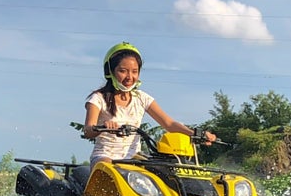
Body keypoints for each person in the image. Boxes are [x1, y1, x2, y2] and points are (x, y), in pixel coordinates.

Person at [83, 42, 216, 165]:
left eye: (134, 71)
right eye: (123, 71)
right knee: (108, 168)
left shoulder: (142, 98)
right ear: (110, 71)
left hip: (134, 159)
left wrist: (196, 133)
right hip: (105, 157)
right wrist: (102, 126)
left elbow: (168, 124)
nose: (130, 77)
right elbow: (88, 130)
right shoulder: (98, 98)